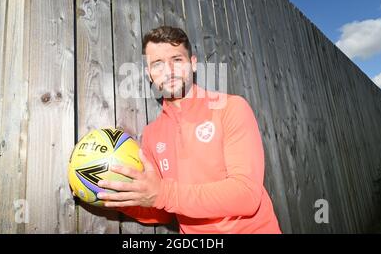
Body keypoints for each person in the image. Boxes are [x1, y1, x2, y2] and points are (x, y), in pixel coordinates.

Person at [96, 26, 282, 234]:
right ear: (149, 74)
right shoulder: (152, 134)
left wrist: (163, 195)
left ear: (192, 64)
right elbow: (163, 210)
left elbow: (246, 195)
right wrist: (118, 197)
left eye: (176, 60)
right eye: (157, 64)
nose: (168, 71)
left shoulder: (231, 108)